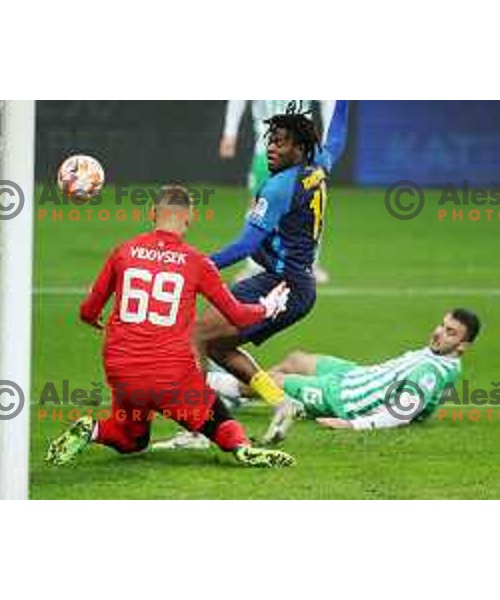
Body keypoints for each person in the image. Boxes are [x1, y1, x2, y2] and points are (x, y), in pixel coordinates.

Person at [46, 185, 295, 468]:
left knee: (132, 439)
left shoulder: (123, 252)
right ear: (189, 219)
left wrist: (95, 320)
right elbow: (237, 315)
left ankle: (91, 430)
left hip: (122, 371)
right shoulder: (197, 263)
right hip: (171, 378)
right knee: (216, 418)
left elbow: (88, 311)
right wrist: (267, 307)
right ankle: (242, 447)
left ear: (152, 213)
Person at [154, 105, 326, 450]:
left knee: (196, 334)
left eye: (280, 143)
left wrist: (194, 263)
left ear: (300, 148)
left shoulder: (278, 188)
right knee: (217, 343)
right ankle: (281, 401)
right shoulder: (318, 169)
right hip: (287, 281)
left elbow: (245, 245)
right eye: (270, 141)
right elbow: (333, 138)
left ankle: (197, 431)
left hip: (281, 286)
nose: (271, 149)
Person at [206, 309, 481, 441]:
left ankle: (210, 384)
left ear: (463, 346)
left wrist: (354, 425)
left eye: (450, 332)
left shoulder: (430, 374)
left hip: (345, 399)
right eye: (442, 325)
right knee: (296, 359)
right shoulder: (442, 356)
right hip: (360, 375)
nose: (438, 333)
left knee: (274, 383)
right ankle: (240, 393)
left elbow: (401, 412)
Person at [219, 100, 348, 284]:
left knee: (309, 207)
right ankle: (254, 266)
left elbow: (329, 101)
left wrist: (326, 137)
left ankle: (308, 263)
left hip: (302, 152)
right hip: (266, 152)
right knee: (258, 207)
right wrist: (229, 132)